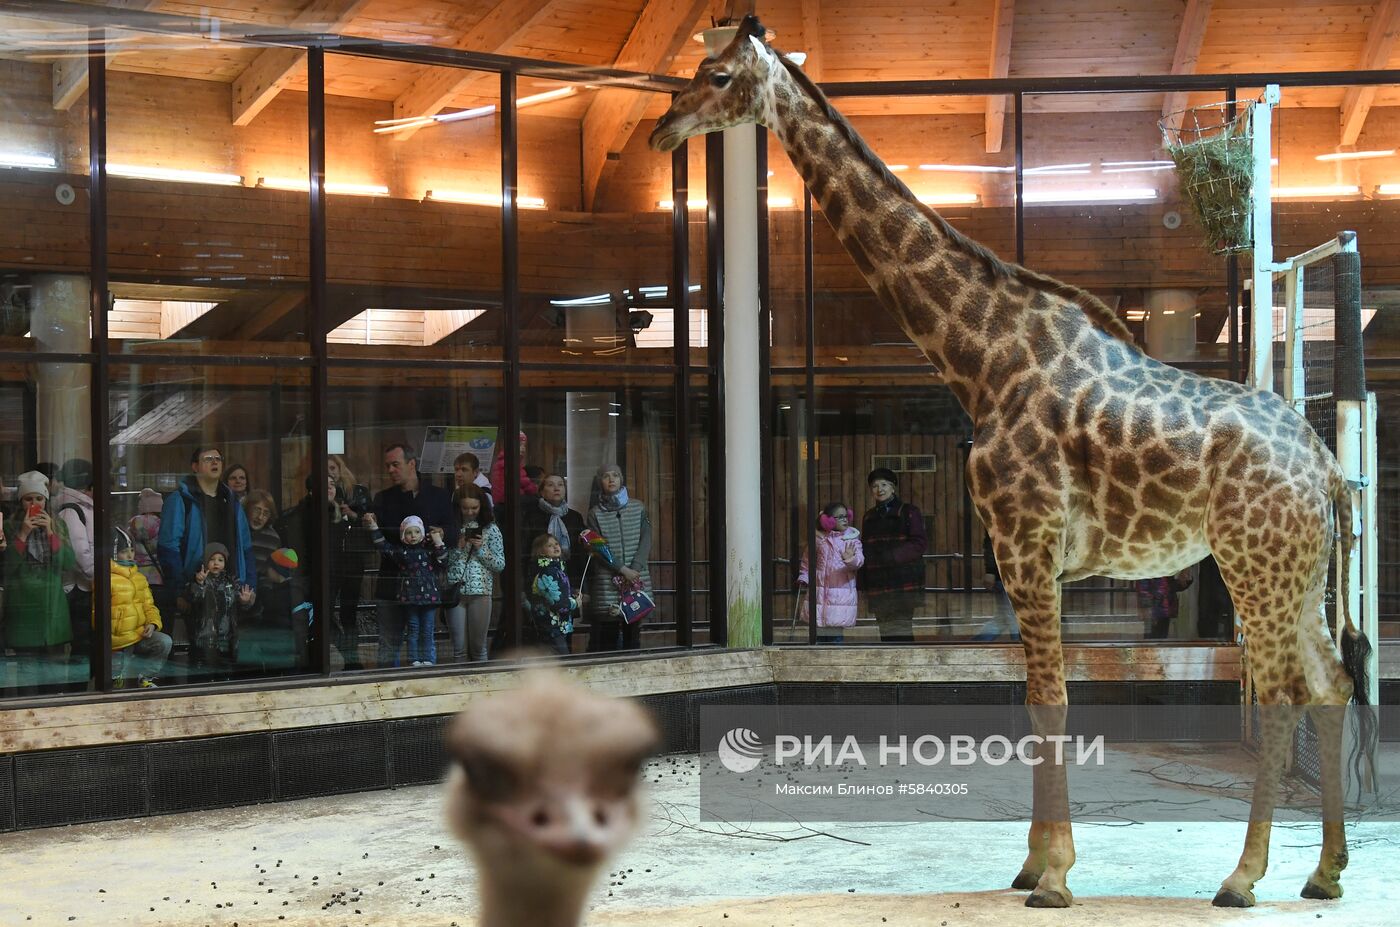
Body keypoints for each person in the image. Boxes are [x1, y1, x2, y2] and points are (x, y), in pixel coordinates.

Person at [367, 443, 456, 668]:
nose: (390, 470)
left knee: (425, 638)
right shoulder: (383, 498)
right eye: (387, 466)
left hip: (425, 584)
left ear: (411, 464)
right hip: (392, 580)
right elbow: (377, 539)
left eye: (395, 464)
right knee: (389, 643)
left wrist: (441, 533)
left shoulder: (437, 496)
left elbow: (454, 532)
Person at [4, 471, 75, 689]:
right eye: (28, 499)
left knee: (54, 679)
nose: (34, 504)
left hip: (52, 608)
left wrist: (51, 533)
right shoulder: (8, 527)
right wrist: (23, 534)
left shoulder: (58, 525)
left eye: (39, 499)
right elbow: (6, 568)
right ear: (20, 501)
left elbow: (68, 563)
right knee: (26, 678)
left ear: (46, 500)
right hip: (23, 607)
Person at [158, 446, 256, 592]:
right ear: (195, 466)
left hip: (232, 588)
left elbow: (246, 549)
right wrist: (180, 590)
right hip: (195, 587)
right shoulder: (180, 500)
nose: (214, 462)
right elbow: (168, 549)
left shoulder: (232, 502)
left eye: (218, 459)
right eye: (208, 459)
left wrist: (250, 588)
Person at [585, 463, 652, 652]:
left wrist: (635, 569)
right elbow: (598, 547)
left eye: (615, 475)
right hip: (608, 580)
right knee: (609, 633)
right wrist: (623, 569)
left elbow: (646, 538)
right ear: (600, 482)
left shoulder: (638, 507)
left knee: (633, 631)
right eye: (606, 476)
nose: (611, 479)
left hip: (636, 576)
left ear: (621, 479)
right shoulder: (594, 514)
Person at [365, 513, 447, 667]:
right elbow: (383, 546)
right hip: (410, 598)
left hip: (429, 599)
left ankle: (428, 659)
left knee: (428, 630)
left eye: (417, 532)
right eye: (409, 532)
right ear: (403, 535)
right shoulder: (401, 552)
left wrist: (438, 542)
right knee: (414, 629)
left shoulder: (429, 550)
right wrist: (373, 527)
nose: (413, 536)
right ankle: (414, 660)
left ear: (422, 533)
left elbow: (443, 561)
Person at [858, 467, 927, 643]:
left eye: (884, 485)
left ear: (893, 487)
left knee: (902, 628)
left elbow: (919, 544)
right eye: (874, 486)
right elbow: (863, 548)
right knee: (885, 630)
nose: (879, 489)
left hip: (902, 581)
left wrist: (892, 557)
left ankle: (906, 668)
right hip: (877, 582)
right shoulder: (868, 517)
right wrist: (863, 583)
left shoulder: (909, 511)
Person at [444, 484, 504, 663]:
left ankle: (484, 687)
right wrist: (458, 547)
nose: (470, 512)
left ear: (482, 506)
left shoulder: (491, 529)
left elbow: (500, 564)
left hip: (481, 592)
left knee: (479, 648)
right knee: (459, 649)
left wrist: (481, 549)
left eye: (474, 508)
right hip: (456, 592)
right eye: (465, 508)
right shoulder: (451, 529)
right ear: (458, 507)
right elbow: (442, 561)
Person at [109, 526, 171, 688]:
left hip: (138, 635)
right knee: (117, 681)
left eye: (132, 550)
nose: (130, 555)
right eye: (124, 551)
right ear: (114, 554)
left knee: (164, 642)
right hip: (119, 640)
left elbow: (149, 606)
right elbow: (98, 613)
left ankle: (146, 678)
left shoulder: (139, 578)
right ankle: (116, 680)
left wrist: (152, 623)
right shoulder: (106, 578)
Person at [796, 502, 864, 644]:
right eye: (840, 517)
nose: (845, 519)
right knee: (817, 636)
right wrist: (804, 577)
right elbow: (807, 562)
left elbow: (859, 561)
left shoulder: (851, 539)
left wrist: (849, 558)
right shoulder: (818, 540)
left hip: (840, 597)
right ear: (828, 520)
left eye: (846, 516)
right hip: (818, 595)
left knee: (835, 637)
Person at [328, 455, 373, 669]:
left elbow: (368, 520)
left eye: (332, 468)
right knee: (323, 612)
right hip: (331, 560)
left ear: (340, 468)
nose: (330, 472)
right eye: (325, 469)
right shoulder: (324, 493)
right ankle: (346, 653)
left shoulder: (357, 491)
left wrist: (352, 514)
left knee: (349, 613)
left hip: (353, 558)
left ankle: (352, 659)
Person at [186, 542, 257, 671]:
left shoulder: (232, 582)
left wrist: (244, 601)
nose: (216, 563)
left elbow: (241, 609)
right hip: (204, 637)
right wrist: (199, 583)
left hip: (228, 636)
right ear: (205, 561)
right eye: (212, 559)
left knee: (226, 670)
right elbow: (194, 599)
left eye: (220, 560)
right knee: (203, 671)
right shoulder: (200, 580)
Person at [53, 458, 96, 655]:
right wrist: (99, 576)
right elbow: (80, 554)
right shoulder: (72, 509)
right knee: (83, 643)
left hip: (84, 585)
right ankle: (76, 685)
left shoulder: (82, 506)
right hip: (78, 587)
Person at [521, 474, 587, 589]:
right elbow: (524, 552)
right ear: (542, 492)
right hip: (540, 580)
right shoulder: (531, 516)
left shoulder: (574, 517)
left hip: (571, 578)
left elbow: (580, 555)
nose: (556, 488)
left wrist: (583, 588)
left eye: (560, 485)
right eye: (551, 485)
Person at [524, 533, 578, 656]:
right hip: (550, 626)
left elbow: (560, 589)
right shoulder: (546, 572)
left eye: (556, 543)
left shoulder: (557, 569)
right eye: (549, 545)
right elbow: (557, 603)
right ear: (541, 552)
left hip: (557, 626)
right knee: (562, 663)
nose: (555, 547)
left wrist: (573, 592)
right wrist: (575, 603)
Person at [973, 533, 1020, 642]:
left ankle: (975, 645)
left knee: (1004, 618)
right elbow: (992, 540)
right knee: (1015, 618)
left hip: (1009, 572)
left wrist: (990, 570)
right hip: (1010, 573)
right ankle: (1020, 649)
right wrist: (990, 570)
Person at [1137, 571, 1193, 640]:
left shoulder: (1166, 570)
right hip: (1154, 610)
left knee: (1160, 639)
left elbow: (1170, 586)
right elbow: (1144, 589)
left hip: (1163, 610)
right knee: (1152, 640)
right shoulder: (1150, 569)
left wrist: (1184, 580)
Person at [243, 490, 281, 584]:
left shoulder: (273, 539)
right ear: (247, 509)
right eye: (257, 510)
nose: (260, 517)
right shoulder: (236, 530)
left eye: (266, 513)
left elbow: (269, 570)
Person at [489, 431, 538, 506]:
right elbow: (523, 481)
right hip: (510, 499)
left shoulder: (501, 461)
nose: (523, 448)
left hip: (499, 501)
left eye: (524, 446)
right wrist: (535, 489)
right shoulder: (512, 463)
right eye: (519, 445)